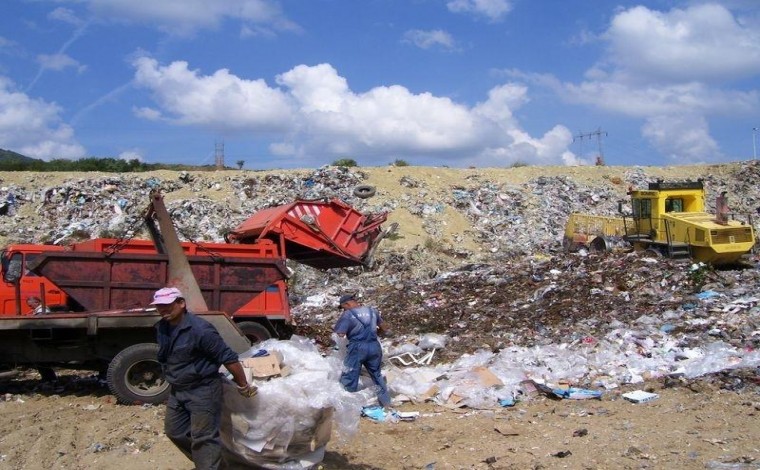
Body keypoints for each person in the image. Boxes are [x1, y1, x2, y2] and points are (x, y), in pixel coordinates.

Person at [152, 286, 257, 470]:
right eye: (159, 306)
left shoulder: (201, 330)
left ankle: (209, 465)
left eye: (167, 305)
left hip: (203, 390)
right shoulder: (162, 327)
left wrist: (243, 385)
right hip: (178, 390)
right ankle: (214, 464)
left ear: (181, 303)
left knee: (204, 438)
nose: (163, 309)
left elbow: (228, 357)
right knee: (174, 431)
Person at [333, 293, 391, 408]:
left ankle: (347, 405)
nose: (343, 310)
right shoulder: (372, 311)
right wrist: (374, 334)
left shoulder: (348, 314)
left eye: (343, 307)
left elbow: (340, 333)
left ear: (347, 303)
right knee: (377, 375)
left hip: (357, 347)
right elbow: (384, 328)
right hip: (374, 346)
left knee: (350, 375)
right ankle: (386, 403)